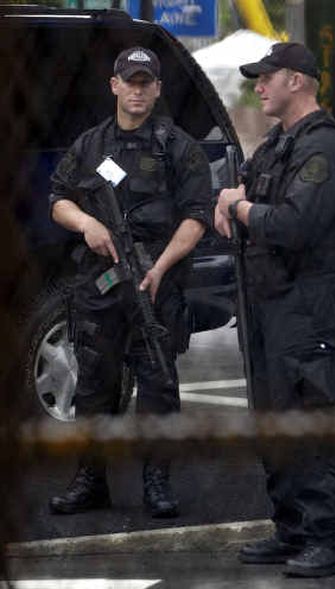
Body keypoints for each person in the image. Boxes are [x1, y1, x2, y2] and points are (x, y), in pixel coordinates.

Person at [215, 42, 335, 577]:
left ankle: (326, 537)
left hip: (305, 304)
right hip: (268, 300)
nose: (259, 86)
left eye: (266, 78)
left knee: (311, 419)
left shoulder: (323, 147)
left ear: (296, 81)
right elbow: (244, 185)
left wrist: (240, 206)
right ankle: (291, 529)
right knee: (273, 418)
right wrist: (227, 197)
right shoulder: (280, 141)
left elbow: (295, 224)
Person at [48, 47, 212, 518]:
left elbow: (197, 216)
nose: (137, 90)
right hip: (100, 286)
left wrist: (161, 267)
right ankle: (89, 481)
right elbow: (58, 197)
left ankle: (157, 482)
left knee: (158, 384)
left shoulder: (177, 146)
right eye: (130, 81)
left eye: (147, 82)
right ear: (114, 85)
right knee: (94, 383)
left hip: (155, 286)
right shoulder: (91, 145)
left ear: (158, 88)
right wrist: (87, 225)